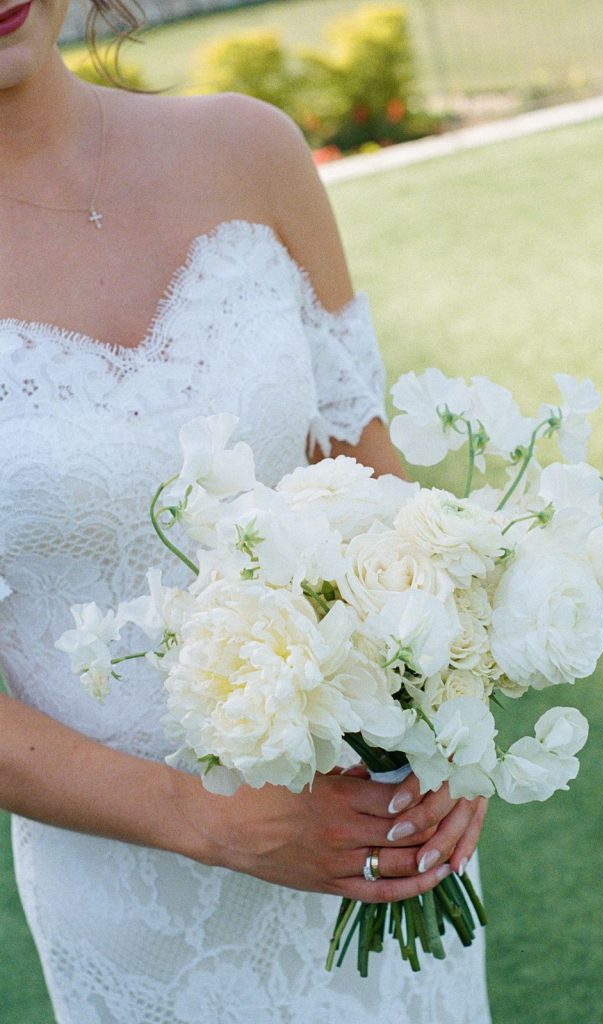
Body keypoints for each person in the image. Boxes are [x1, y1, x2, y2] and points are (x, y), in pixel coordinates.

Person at [0, 0, 491, 1020]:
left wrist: (452, 707)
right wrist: (216, 821)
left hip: (374, 826)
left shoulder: (247, 148)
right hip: (143, 906)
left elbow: (366, 463)